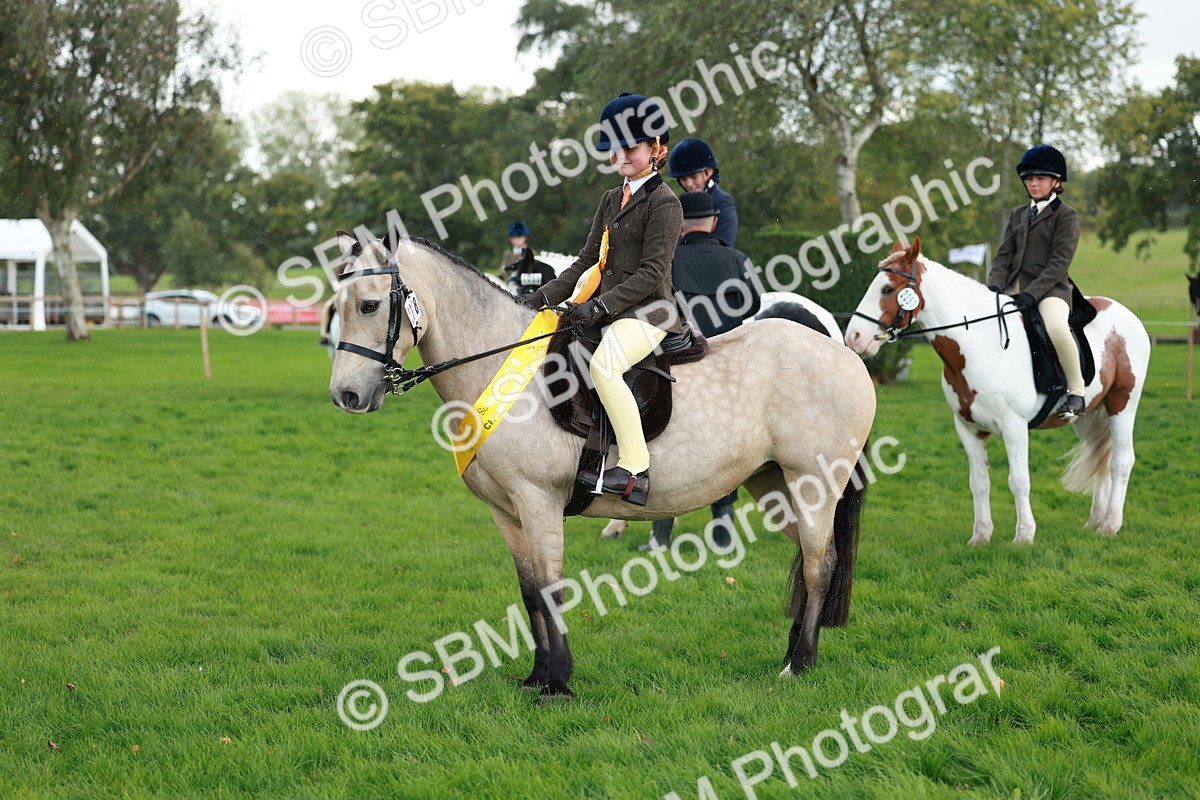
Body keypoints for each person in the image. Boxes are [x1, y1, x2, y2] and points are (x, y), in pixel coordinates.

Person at [520, 92, 685, 506]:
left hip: (649, 312)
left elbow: (652, 273)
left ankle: (634, 469)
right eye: (615, 147)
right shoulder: (611, 199)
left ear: (655, 149)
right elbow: (586, 261)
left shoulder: (666, 203)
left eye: (630, 147)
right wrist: (537, 298)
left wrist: (599, 307)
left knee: (604, 365)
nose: (621, 155)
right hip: (609, 311)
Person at [638, 191, 760, 551]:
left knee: (664, 444)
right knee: (729, 445)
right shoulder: (737, 258)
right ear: (715, 221)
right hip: (728, 367)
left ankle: (660, 537)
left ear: (678, 227)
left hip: (679, 361)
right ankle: (723, 531)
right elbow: (753, 302)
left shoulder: (669, 259)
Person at [986, 144, 1085, 418]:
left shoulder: (1066, 216)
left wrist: (1032, 293)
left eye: (1040, 178)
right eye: (1029, 179)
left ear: (1056, 182)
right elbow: (1003, 256)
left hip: (1051, 290)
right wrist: (993, 286)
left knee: (1055, 327)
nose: (1033, 183)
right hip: (1013, 288)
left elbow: (1059, 263)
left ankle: (1076, 392)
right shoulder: (1018, 214)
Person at [667, 138, 739, 247]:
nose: (689, 184)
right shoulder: (679, 205)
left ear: (708, 172)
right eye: (683, 179)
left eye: (693, 177)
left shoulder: (723, 202)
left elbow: (724, 245)